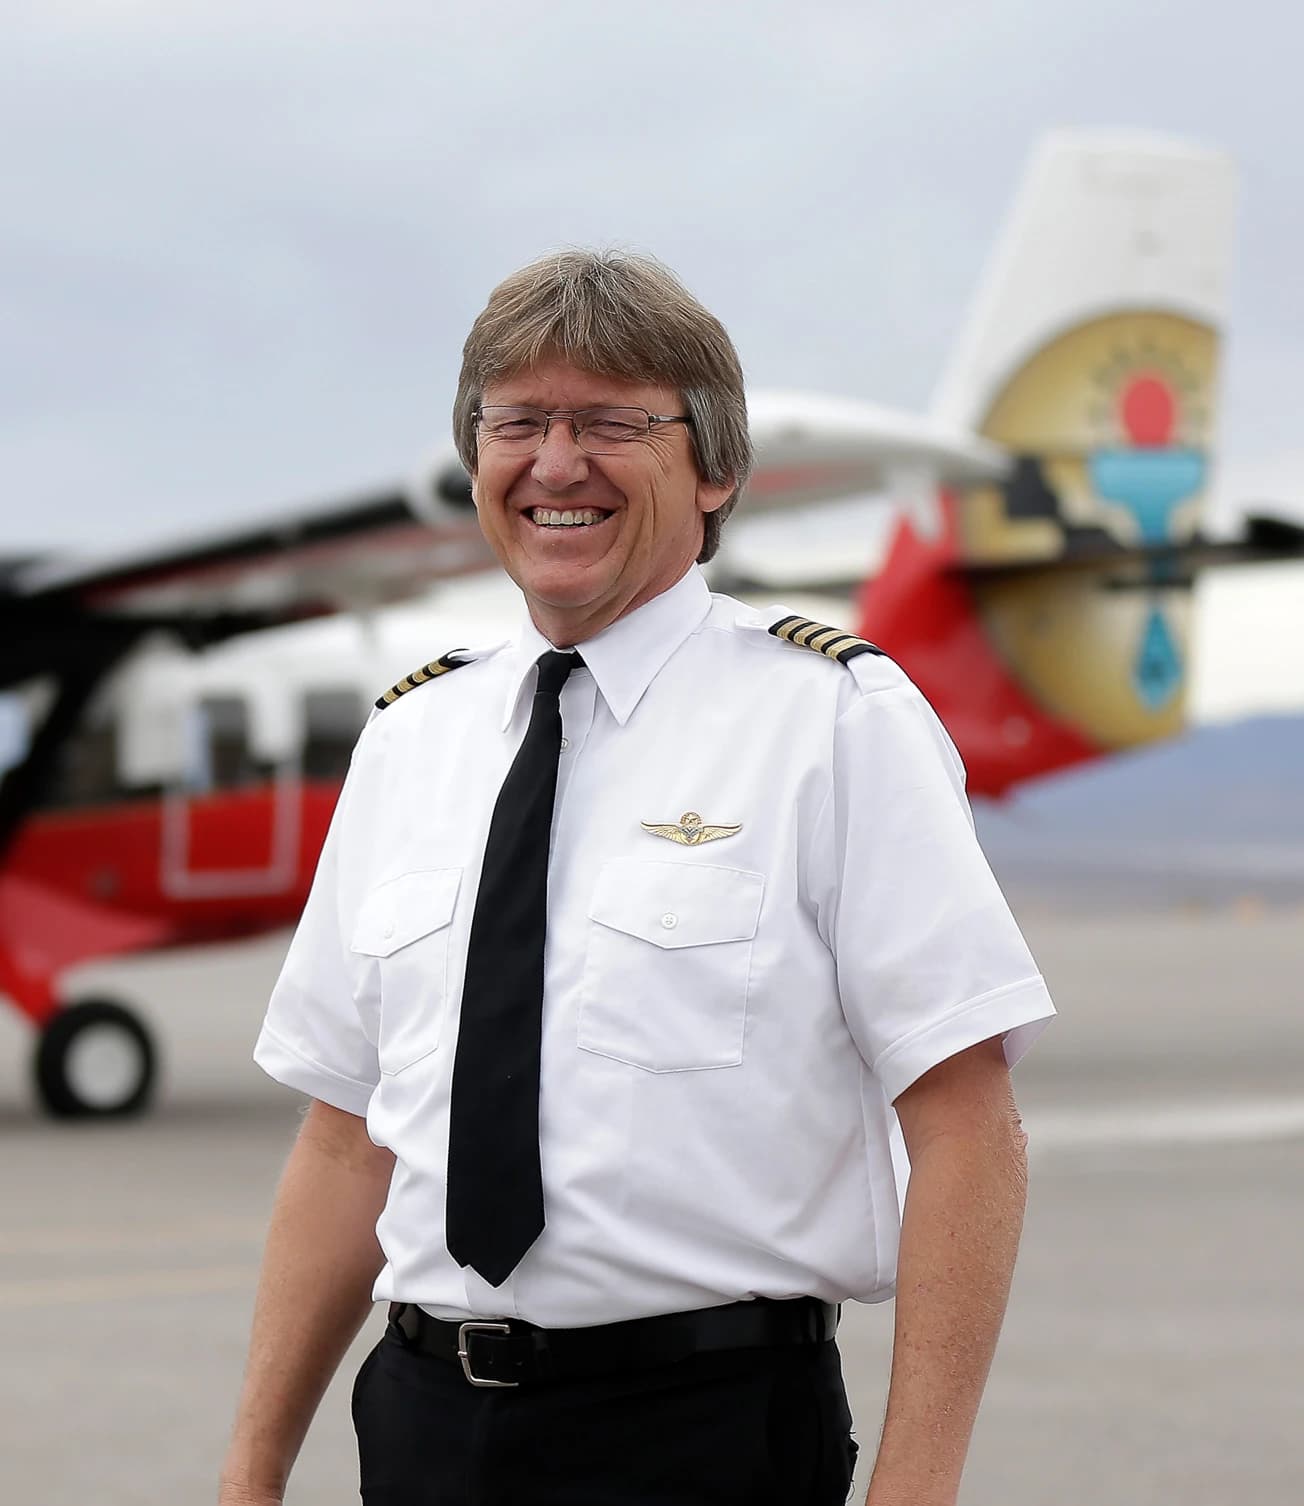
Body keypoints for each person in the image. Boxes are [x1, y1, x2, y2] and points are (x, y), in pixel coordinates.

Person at [219, 250, 1054, 1506]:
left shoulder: (831, 721)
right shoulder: (411, 740)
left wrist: (913, 1491)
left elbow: (966, 1128)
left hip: (702, 1435)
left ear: (712, 469)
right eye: (519, 423)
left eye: (611, 422)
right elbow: (346, 1142)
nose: (557, 464)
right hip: (420, 1435)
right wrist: (250, 1472)